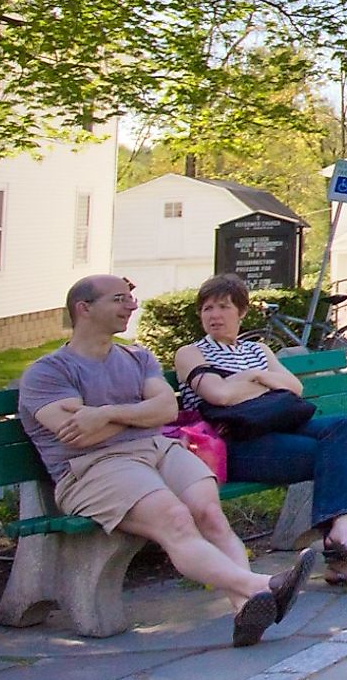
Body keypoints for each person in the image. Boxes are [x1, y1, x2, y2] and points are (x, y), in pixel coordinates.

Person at [17, 276, 315, 646]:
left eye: (131, 298)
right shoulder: (48, 373)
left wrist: (106, 413)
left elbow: (166, 409)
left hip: (157, 449)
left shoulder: (137, 357)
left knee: (210, 515)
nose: (132, 306)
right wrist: (138, 415)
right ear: (84, 308)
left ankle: (245, 609)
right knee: (175, 520)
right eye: (120, 299)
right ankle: (263, 587)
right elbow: (80, 434)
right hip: (93, 468)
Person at [174, 276, 347, 589]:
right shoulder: (191, 353)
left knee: (344, 427)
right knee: (335, 457)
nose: (214, 315)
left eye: (223, 306)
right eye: (207, 308)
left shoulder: (258, 350)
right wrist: (263, 383)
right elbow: (217, 395)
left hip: (280, 427)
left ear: (241, 312)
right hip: (236, 444)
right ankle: (343, 555)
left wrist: (251, 377)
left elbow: (294, 387)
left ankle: (341, 527)